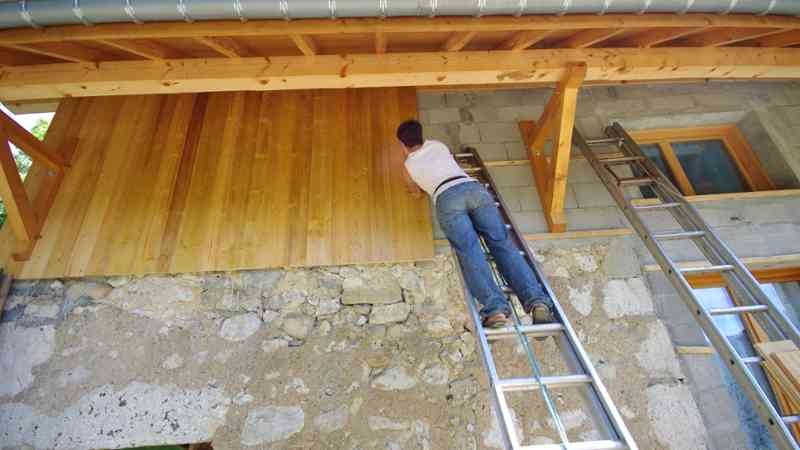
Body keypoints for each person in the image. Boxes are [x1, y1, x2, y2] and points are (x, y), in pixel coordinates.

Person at [397, 119, 554, 328]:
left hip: (446, 198)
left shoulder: (408, 166)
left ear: (402, 144)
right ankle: (537, 302)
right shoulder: (438, 145)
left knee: (470, 252)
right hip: (474, 189)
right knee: (502, 244)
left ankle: (496, 310)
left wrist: (417, 187)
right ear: (421, 135)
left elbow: (416, 193)